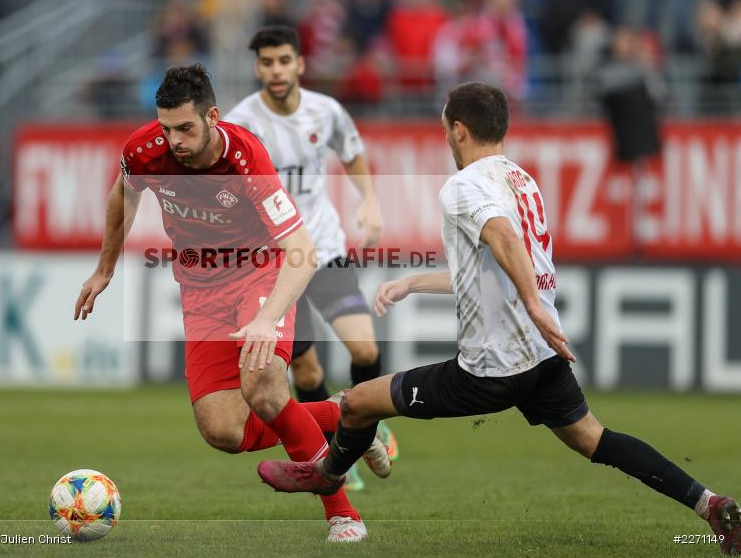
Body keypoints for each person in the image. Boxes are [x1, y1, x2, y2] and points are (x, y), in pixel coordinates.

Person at [256, 82, 740, 556]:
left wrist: (530, 302)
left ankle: (327, 476)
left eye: (445, 126)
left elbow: (504, 239)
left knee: (359, 403)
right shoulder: (521, 180)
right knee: (595, 439)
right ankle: (709, 503)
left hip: (492, 368)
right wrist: (412, 283)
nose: (445, 136)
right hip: (540, 356)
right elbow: (490, 268)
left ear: (459, 130)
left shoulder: (463, 185)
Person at [74, 64, 389, 542]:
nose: (173, 140)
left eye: (185, 128)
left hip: (258, 275)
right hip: (200, 290)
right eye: (165, 128)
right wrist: (105, 268)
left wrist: (267, 317)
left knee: (263, 386)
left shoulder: (246, 159)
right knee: (223, 431)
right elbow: (124, 195)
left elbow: (301, 251)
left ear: (212, 117)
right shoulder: (143, 149)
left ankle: (343, 515)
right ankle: (345, 411)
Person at [224, 25, 396, 492]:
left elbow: (354, 153)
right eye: (266, 63)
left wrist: (370, 200)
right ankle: (337, 456)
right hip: (274, 265)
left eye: (283, 61)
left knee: (365, 349)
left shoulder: (328, 111)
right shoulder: (242, 124)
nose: (275, 71)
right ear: (257, 67)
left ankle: (366, 421)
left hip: (325, 248)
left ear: (299, 63)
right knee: (307, 371)